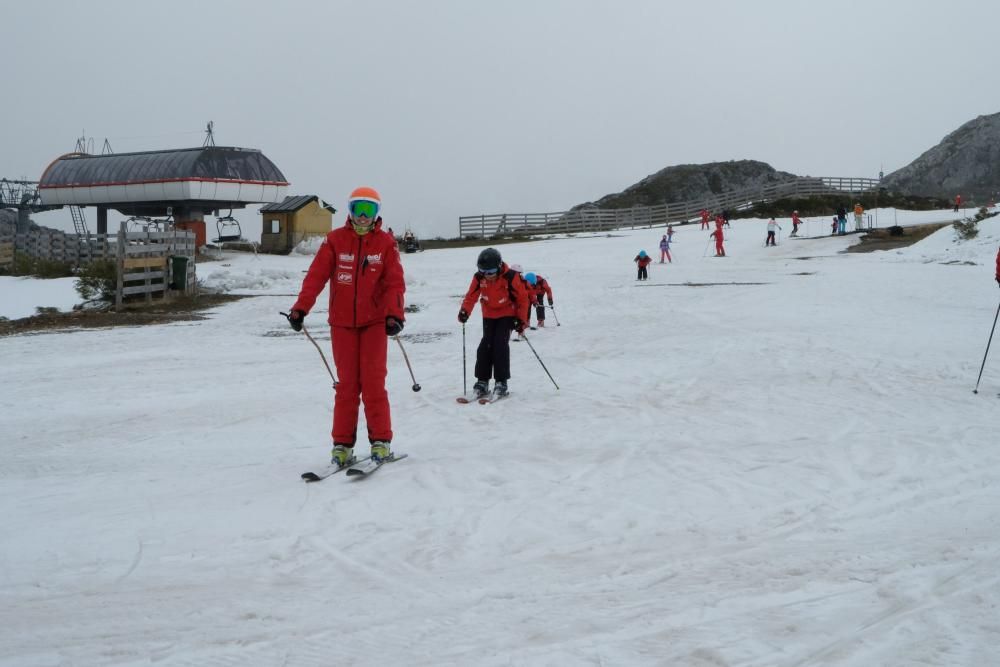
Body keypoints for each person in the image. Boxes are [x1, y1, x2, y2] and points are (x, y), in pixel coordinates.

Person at [286, 186, 405, 468]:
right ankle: (342, 446)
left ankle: (381, 442)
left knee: (374, 384)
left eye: (370, 211)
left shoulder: (385, 244)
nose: (363, 217)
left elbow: (394, 283)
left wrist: (394, 315)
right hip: (342, 324)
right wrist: (301, 307)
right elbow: (316, 277)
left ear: (377, 214)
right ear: (350, 211)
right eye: (358, 210)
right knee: (346, 386)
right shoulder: (335, 241)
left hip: (375, 323)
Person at [458, 248, 530, 400]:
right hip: (489, 313)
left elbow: (523, 299)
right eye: (484, 271)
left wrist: (521, 320)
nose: (487, 275)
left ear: (498, 267)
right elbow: (471, 296)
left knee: (500, 345)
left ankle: (501, 383)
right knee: (485, 346)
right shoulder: (479, 278)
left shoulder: (510, 276)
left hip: (507, 313)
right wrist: (465, 311)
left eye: (490, 271)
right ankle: (482, 382)